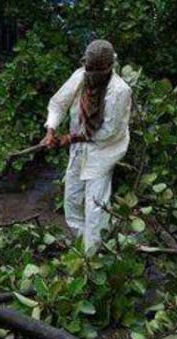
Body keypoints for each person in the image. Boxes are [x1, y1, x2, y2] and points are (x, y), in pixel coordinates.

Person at [40, 40, 132, 255]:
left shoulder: (119, 91)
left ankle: (92, 259)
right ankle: (83, 247)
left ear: (110, 66)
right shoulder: (80, 76)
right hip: (80, 150)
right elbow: (59, 103)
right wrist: (51, 130)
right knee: (71, 201)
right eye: (89, 69)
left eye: (97, 70)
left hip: (103, 152)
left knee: (95, 207)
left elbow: (109, 132)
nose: (92, 74)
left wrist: (70, 138)